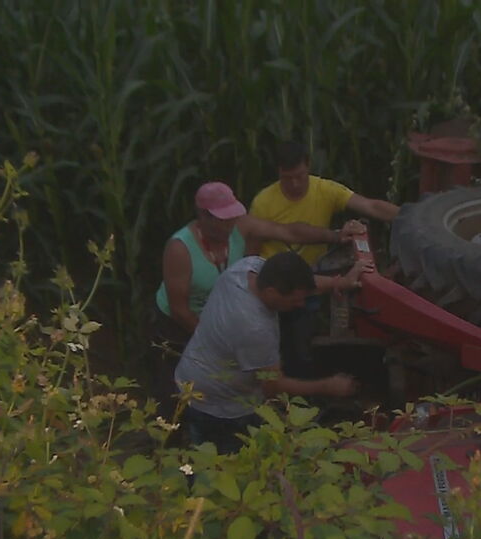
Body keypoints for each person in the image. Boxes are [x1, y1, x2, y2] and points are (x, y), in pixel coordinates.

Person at [152, 181, 364, 420]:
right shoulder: (180, 249)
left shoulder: (246, 257)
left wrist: (336, 239)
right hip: (182, 324)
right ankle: (165, 437)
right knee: (174, 389)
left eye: (231, 218)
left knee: (221, 374)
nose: (228, 225)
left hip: (224, 321)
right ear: (202, 216)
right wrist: (216, 338)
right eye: (222, 220)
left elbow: (290, 233)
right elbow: (180, 310)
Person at [174, 251, 372, 454]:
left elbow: (300, 283)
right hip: (217, 404)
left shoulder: (246, 268)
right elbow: (272, 385)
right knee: (224, 464)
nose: (301, 304)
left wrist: (338, 283)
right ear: (271, 292)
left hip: (194, 374)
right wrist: (329, 386)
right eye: (295, 301)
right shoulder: (254, 327)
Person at [248, 140, 399, 265]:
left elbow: (370, 206)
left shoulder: (326, 190)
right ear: (278, 171)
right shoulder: (262, 202)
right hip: (275, 282)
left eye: (299, 176)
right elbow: (251, 254)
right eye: (287, 178)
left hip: (315, 276)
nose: (294, 184)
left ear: (308, 166)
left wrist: (408, 215)